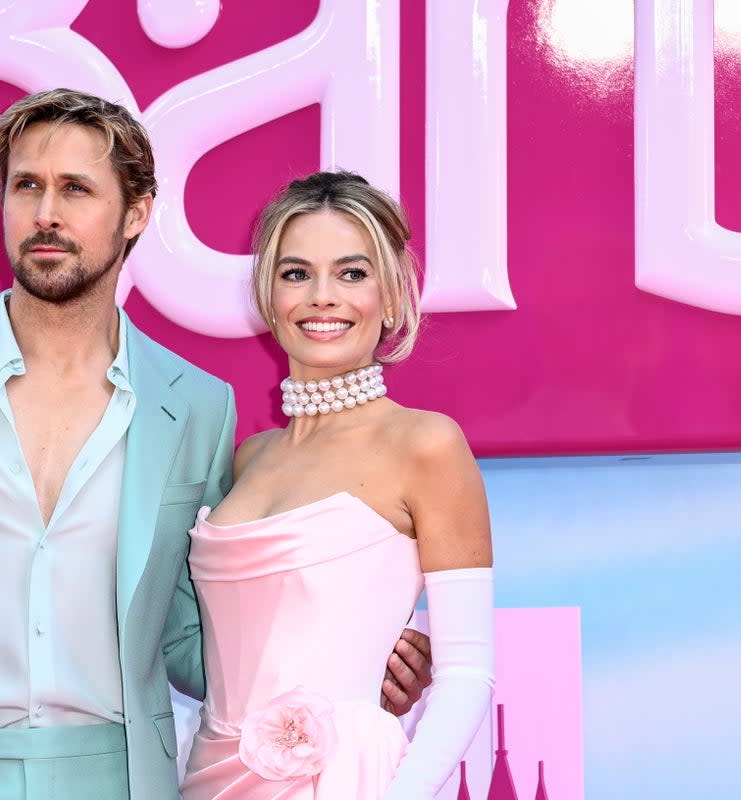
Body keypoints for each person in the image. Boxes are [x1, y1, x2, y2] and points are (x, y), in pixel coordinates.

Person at [0, 90, 432, 800]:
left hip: (116, 779)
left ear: (137, 212)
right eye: (26, 185)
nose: (46, 213)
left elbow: (189, 636)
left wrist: (346, 674)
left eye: (76, 189)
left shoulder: (196, 407)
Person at [181, 171, 495, 799]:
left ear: (392, 296)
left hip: (346, 781)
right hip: (211, 776)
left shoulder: (427, 445)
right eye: (296, 274)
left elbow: (467, 675)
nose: (323, 297)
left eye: (353, 274)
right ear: (269, 296)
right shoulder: (249, 459)